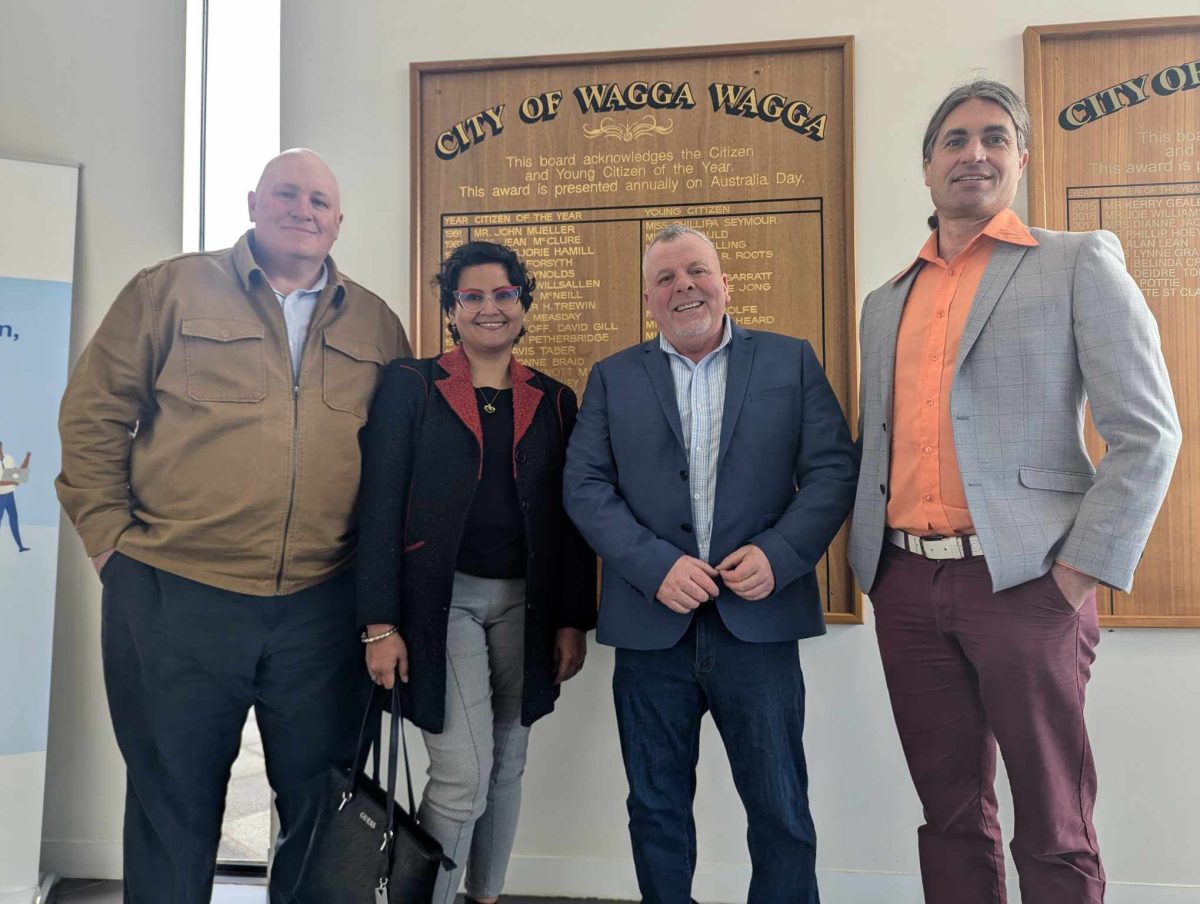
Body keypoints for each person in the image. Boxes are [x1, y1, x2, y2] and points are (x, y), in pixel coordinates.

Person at [848, 80, 1181, 904]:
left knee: (1054, 822)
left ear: (1020, 160)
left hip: (1027, 583)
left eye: (995, 139)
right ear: (927, 166)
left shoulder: (1076, 261)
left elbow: (1148, 432)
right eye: (955, 140)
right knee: (949, 814)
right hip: (906, 583)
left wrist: (1076, 574)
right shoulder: (885, 302)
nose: (976, 154)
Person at [55, 149, 410, 903]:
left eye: (320, 199)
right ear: (253, 202)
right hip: (174, 596)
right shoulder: (170, 290)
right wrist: (110, 544)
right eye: (287, 193)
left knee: (321, 804)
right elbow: (93, 416)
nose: (303, 209)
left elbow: (397, 459)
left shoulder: (377, 323)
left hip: (322, 606)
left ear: (339, 221)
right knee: (171, 806)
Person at [563, 224, 858, 903]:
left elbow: (832, 471)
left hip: (759, 624)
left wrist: (780, 555)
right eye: (665, 278)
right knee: (656, 809)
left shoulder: (790, 362)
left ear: (726, 283)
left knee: (780, 809)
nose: (684, 286)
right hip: (650, 627)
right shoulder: (613, 377)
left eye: (697, 271)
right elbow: (584, 486)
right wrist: (654, 564)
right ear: (647, 299)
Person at [356, 240, 596, 904]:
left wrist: (573, 620)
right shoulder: (411, 386)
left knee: (508, 762)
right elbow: (378, 505)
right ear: (450, 309)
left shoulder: (552, 399)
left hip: (528, 608)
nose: (490, 308)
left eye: (503, 294)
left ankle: (484, 896)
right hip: (441, 605)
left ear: (523, 304)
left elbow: (568, 518)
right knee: (464, 772)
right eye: (472, 296)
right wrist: (378, 624)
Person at [0, 441, 31, 551]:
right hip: (0, 496)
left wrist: (27, 458)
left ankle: (20, 546)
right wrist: (12, 482)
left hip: (9, 494)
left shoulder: (8, 458)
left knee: (14, 518)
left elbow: (17, 474)